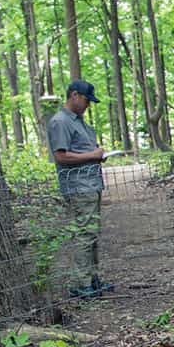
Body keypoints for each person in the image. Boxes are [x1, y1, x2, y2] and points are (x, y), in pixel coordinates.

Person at [48, 79, 113, 298]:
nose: (88, 105)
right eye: (86, 100)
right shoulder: (60, 122)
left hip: (91, 183)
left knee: (92, 233)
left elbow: (82, 150)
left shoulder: (79, 121)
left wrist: (97, 155)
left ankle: (93, 279)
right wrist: (92, 155)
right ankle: (80, 284)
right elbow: (60, 155)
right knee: (84, 234)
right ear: (74, 95)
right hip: (78, 186)